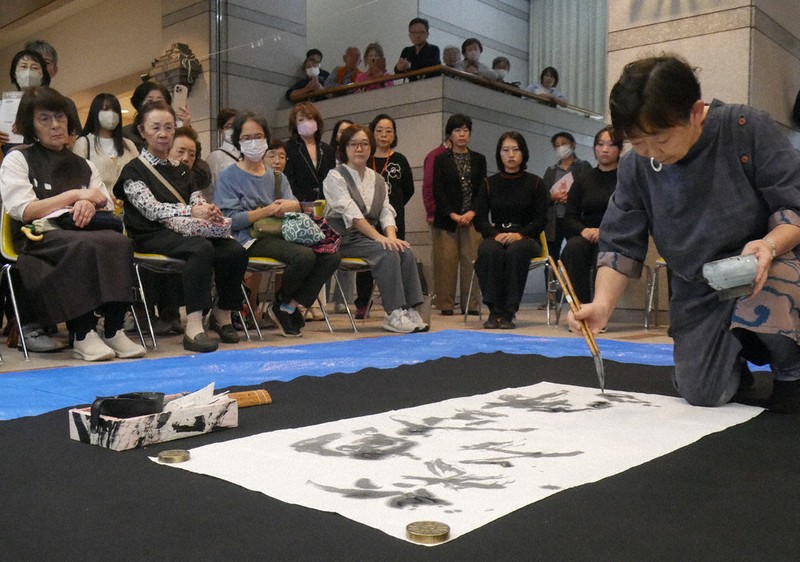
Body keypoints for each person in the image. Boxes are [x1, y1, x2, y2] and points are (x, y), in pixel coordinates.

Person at [571, 54, 800, 414]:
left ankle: (791, 371)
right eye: (637, 142)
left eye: (660, 140)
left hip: (766, 268)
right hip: (700, 288)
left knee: (774, 290)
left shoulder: (745, 127)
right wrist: (601, 305)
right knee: (701, 392)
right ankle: (734, 359)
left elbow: (794, 207)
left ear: (695, 112)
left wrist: (770, 245)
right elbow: (620, 242)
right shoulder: (636, 165)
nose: (649, 152)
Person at [0, 87, 145, 361]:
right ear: (31, 125)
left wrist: (88, 203)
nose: (55, 125)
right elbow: (25, 210)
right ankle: (83, 333)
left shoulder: (84, 164)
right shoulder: (18, 158)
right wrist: (75, 195)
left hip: (80, 231)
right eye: (44, 119)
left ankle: (114, 329)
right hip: (37, 237)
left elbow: (100, 198)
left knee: (119, 241)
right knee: (81, 245)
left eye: (59, 117)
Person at [114, 100, 247, 353]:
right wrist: (191, 210)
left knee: (234, 251)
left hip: (185, 229)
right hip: (149, 233)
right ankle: (194, 326)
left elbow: (196, 197)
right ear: (142, 131)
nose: (163, 133)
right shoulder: (133, 170)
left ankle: (222, 313)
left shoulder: (183, 171)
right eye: (155, 128)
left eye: (168, 127)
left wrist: (208, 211)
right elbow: (151, 209)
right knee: (200, 248)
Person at [215, 112, 340, 338]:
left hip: (282, 232)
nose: (254, 142)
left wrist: (292, 206)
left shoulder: (277, 177)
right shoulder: (229, 176)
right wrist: (264, 211)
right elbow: (230, 219)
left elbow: (293, 203)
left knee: (331, 256)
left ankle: (287, 304)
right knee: (303, 256)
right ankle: (281, 304)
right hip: (250, 238)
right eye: (247, 137)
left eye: (259, 136)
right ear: (238, 141)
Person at [323, 124, 427, 334]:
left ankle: (410, 309)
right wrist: (381, 239)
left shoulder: (378, 179)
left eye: (364, 144)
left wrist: (392, 237)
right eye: (353, 144)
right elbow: (354, 216)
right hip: (342, 239)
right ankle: (394, 313)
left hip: (366, 239)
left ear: (370, 148)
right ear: (345, 148)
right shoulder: (335, 176)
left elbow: (386, 212)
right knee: (386, 251)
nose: (359, 149)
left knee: (404, 250)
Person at [473, 132, 548, 329]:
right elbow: (480, 218)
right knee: (488, 250)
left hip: (527, 237)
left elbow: (541, 219)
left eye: (516, 150)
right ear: (499, 154)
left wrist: (520, 235)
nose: (511, 155)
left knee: (517, 250)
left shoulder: (536, 183)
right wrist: (494, 234)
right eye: (505, 150)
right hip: (497, 235)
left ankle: (509, 311)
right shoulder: (489, 183)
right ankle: (494, 311)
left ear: (523, 153)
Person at [559, 126, 622, 305]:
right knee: (573, 248)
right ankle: (581, 308)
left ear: (619, 149)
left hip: (614, 236)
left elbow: (632, 214)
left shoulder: (626, 179)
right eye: (600, 144)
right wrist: (584, 230)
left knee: (603, 253)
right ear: (594, 148)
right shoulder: (583, 180)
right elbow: (570, 216)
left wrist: (604, 232)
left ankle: (599, 308)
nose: (604, 149)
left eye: (610, 145)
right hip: (586, 233)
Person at [432, 114, 486, 315]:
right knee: (446, 263)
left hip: (472, 219)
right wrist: (452, 214)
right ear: (450, 134)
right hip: (447, 220)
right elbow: (438, 190)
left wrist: (472, 211)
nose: (462, 134)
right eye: (457, 130)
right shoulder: (440, 159)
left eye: (465, 130)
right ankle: (445, 305)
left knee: (471, 263)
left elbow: (482, 189)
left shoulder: (479, 159)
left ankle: (471, 305)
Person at [542, 131, 592, 265]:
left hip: (574, 218)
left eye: (563, 144)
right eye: (557, 145)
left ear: (573, 145)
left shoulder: (583, 166)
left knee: (574, 252)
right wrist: (552, 197)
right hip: (554, 219)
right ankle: (552, 284)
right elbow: (542, 196)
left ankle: (572, 283)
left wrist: (572, 198)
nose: (560, 148)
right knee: (551, 256)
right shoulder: (551, 170)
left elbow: (589, 191)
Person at [73, 93, 138, 193]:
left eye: (115, 110)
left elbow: (140, 174)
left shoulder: (128, 144)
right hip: (99, 204)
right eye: (105, 109)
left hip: (128, 204)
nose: (111, 114)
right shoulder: (83, 144)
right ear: (95, 112)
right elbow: (78, 180)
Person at [282, 102, 336, 203]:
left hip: (326, 204)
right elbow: (289, 180)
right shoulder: (288, 148)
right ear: (295, 124)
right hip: (299, 204)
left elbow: (332, 179)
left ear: (316, 121)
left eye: (310, 118)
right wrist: (304, 203)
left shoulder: (327, 149)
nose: (306, 123)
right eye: (301, 120)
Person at [1, 50, 52, 152]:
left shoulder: (52, 102)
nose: (28, 72)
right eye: (23, 67)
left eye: (35, 68)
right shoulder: (3, 105)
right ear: (14, 73)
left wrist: (30, 127)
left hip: (45, 159)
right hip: (12, 159)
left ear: (43, 75)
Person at [122, 81, 191, 150]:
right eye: (150, 102)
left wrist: (185, 130)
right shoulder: (126, 134)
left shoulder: (174, 130)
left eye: (159, 102)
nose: (155, 106)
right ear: (139, 105)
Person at [206, 108, 240, 190]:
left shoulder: (248, 153)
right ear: (221, 130)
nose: (234, 130)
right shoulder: (215, 157)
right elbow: (210, 189)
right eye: (229, 126)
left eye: (236, 126)